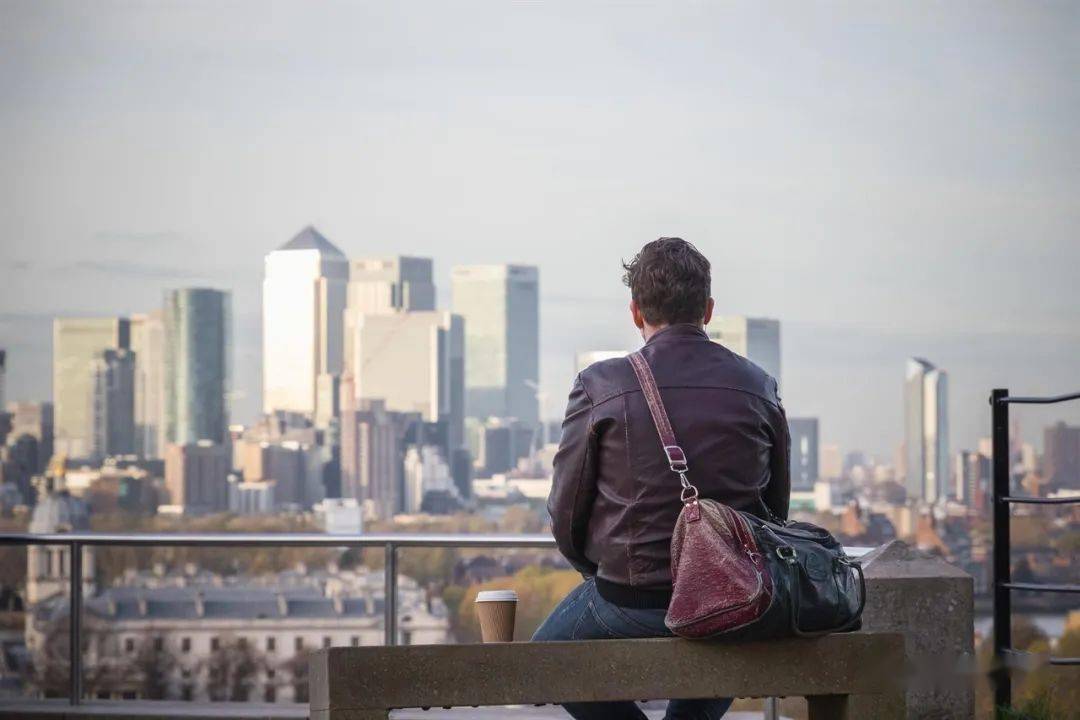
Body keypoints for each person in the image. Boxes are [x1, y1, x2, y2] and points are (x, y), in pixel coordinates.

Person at [534, 237, 791, 720]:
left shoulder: (601, 385)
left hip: (631, 597)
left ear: (636, 312)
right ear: (708, 310)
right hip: (731, 596)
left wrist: (598, 574)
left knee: (543, 658)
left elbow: (565, 513)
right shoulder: (759, 385)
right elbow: (776, 510)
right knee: (724, 630)